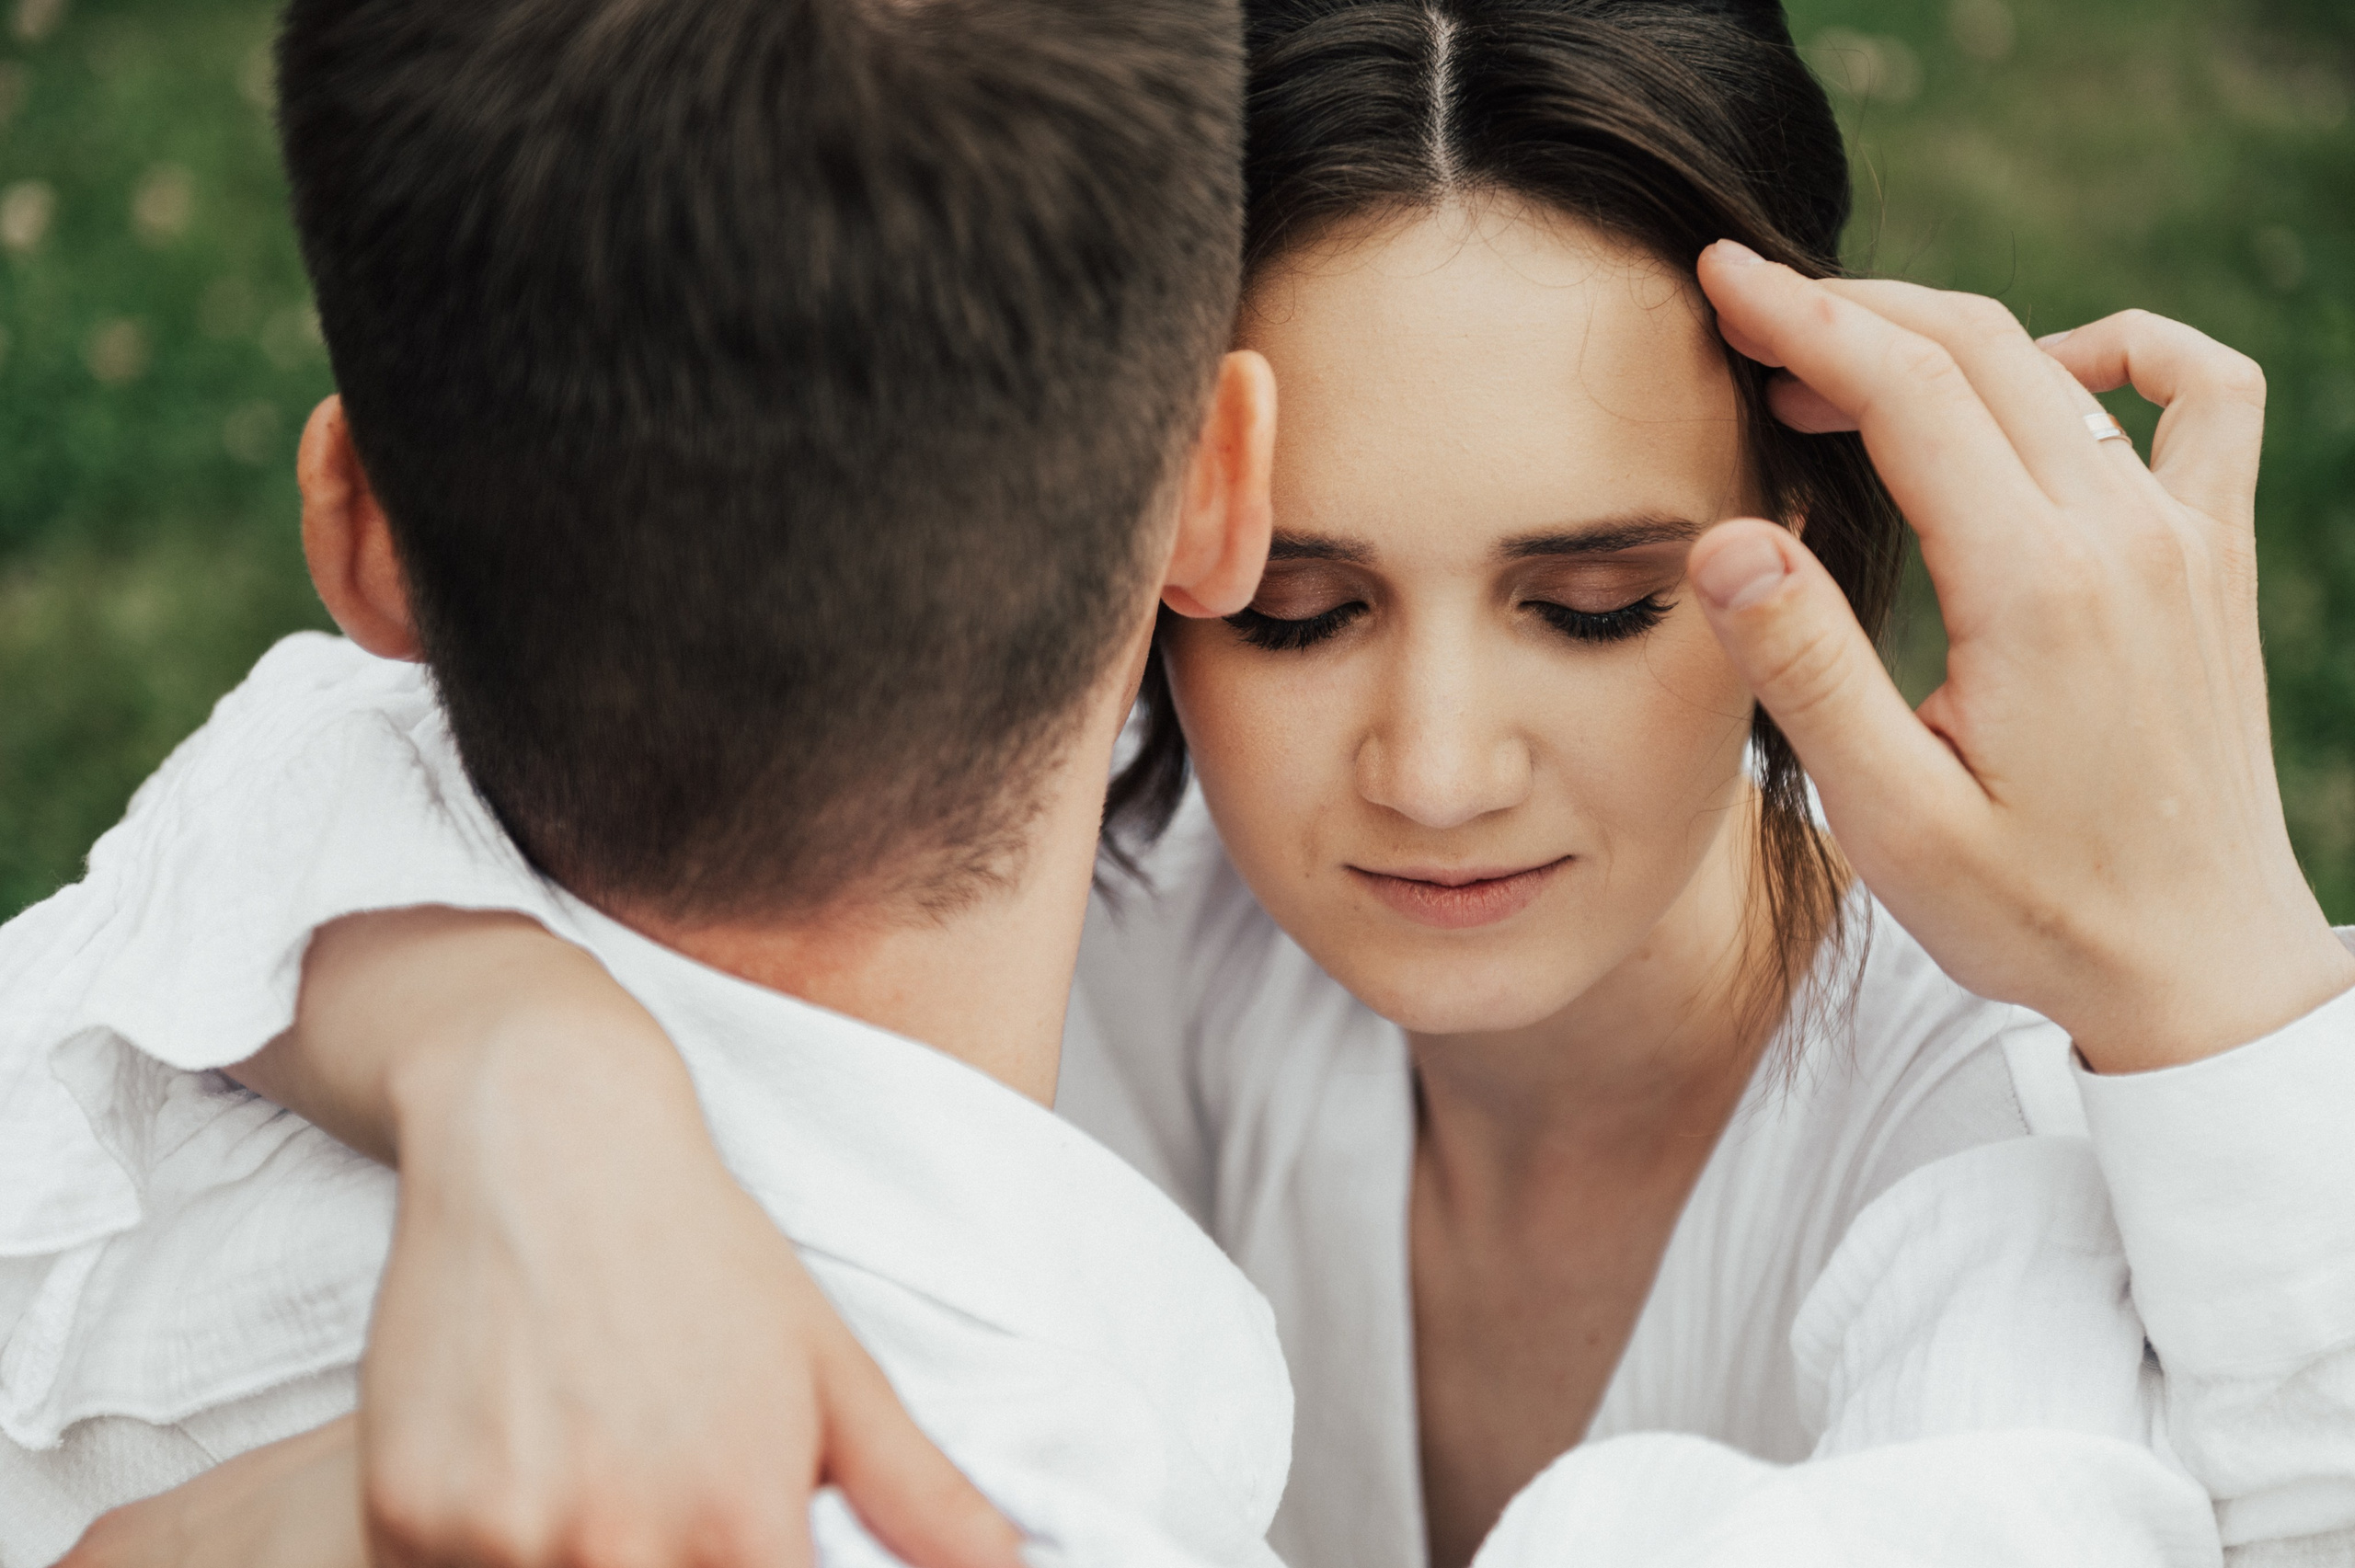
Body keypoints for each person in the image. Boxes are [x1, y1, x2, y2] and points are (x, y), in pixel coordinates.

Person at [9, 3, 2355, 1568]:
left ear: (1815, 530)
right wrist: (512, 1059)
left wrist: (2232, 989)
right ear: (1175, 523)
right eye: (1300, 616)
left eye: (1597, 598)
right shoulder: (1089, 875)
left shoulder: (2005, 1143)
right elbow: (330, 784)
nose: (1432, 770)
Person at [0, 0, 1299, 1562]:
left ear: (357, 535)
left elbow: (293, 773)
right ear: (1226, 491)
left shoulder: (195, 933)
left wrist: (511, 1053)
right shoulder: (1015, 1492)